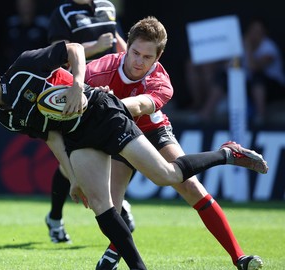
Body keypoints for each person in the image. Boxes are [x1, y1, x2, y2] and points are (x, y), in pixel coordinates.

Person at [0, 41, 268, 269]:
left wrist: (78, 85)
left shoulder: (24, 67)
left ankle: (227, 153)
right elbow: (51, 136)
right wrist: (72, 177)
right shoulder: (5, 118)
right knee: (102, 207)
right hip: (76, 135)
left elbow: (74, 49)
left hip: (102, 113)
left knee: (166, 176)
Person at [84, 16, 264, 270]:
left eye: (147, 57)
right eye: (135, 52)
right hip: (117, 134)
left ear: (157, 58)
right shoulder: (97, 70)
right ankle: (116, 250)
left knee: (190, 187)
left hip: (152, 131)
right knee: (106, 208)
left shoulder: (161, 81)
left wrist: (110, 104)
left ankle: (240, 258)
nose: (139, 61)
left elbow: (141, 105)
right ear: (127, 46)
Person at [45, 0, 132, 245]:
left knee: (123, 143)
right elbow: (57, 56)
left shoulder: (108, 6)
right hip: (77, 91)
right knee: (71, 161)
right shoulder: (62, 12)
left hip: (111, 89)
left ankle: (118, 199)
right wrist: (96, 46)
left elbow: (119, 44)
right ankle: (55, 218)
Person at [242, 17, 285, 126]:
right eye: (253, 30)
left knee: (257, 77)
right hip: (250, 87)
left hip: (275, 89)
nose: (255, 34)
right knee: (224, 78)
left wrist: (248, 48)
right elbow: (227, 66)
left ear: (264, 32)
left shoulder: (269, 47)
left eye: (258, 31)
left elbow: (254, 68)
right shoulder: (241, 46)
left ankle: (260, 116)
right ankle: (204, 112)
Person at [1, 0, 49, 69]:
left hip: (38, 69)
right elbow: (4, 49)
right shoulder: (10, 24)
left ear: (34, 4)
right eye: (22, 3)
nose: (25, 6)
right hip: (13, 69)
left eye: (28, 3)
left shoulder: (43, 25)